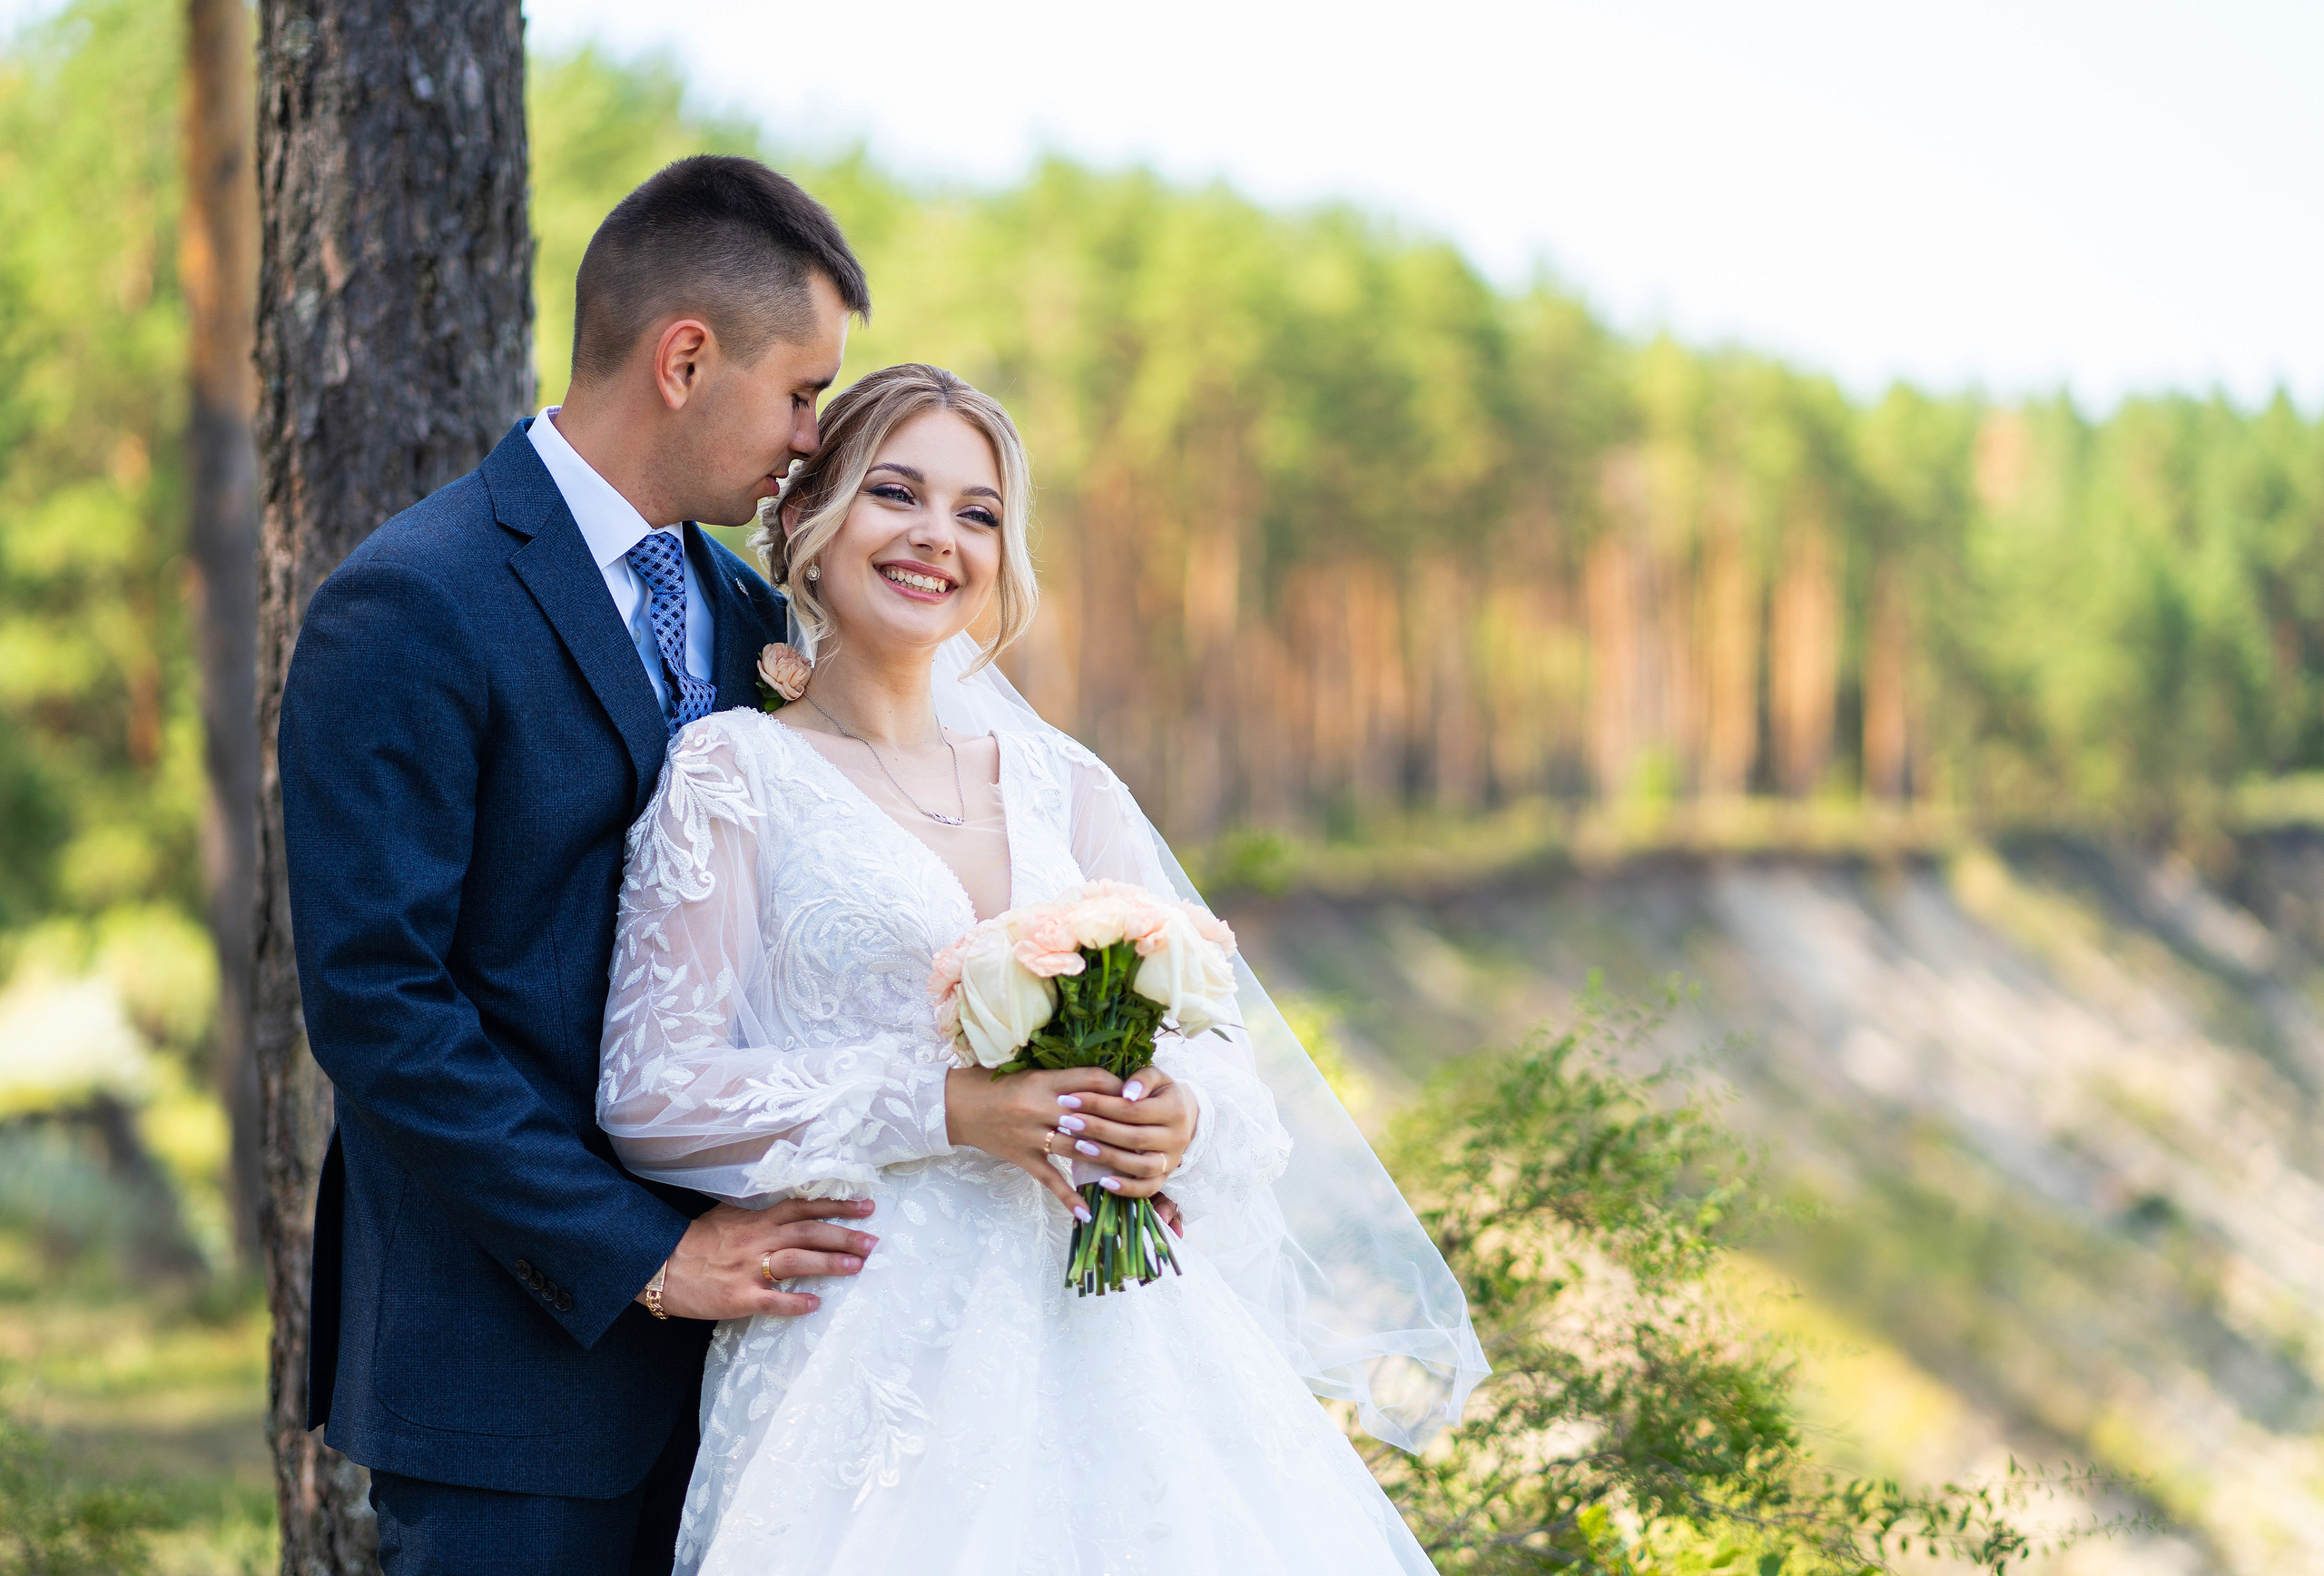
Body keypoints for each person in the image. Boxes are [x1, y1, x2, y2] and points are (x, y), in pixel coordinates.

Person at [596, 362, 1484, 1574]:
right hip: (869, 1354)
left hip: (1127, 1344)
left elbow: (1231, 1074)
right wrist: (948, 1107)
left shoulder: (1067, 785)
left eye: (978, 512)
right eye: (895, 493)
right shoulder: (732, 776)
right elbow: (651, 1094)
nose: (937, 537)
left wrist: (1176, 1119)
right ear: (805, 519)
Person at [278, 155, 881, 1575]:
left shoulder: (755, 620)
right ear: (686, 360)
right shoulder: (412, 602)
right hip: (509, 1386)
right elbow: (380, 1006)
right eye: (804, 394)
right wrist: (647, 1257)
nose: (812, 443)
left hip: (761, 1382)